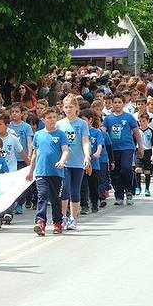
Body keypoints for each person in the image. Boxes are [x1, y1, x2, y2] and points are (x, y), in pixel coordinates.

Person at [26, 108, 69, 235]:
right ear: (43, 120)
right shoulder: (38, 135)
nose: (52, 120)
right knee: (42, 196)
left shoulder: (61, 134)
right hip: (41, 172)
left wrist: (62, 161)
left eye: (54, 117)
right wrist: (30, 171)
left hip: (56, 173)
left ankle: (57, 223)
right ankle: (40, 222)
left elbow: (65, 150)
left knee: (56, 199)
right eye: (49, 117)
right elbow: (35, 154)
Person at [56, 94, 91, 230]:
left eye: (71, 107)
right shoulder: (59, 124)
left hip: (77, 161)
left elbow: (85, 141)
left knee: (75, 190)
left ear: (76, 108)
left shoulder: (82, 124)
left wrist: (87, 156)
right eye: (66, 107)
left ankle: (73, 218)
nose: (68, 109)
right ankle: (63, 216)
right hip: (64, 163)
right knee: (64, 189)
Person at [103, 93, 144, 205]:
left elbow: (136, 132)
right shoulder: (108, 118)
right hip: (113, 149)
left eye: (119, 102)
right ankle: (119, 195)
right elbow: (103, 132)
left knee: (126, 168)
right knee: (115, 171)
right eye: (115, 102)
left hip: (127, 147)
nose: (117, 104)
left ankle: (129, 191)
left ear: (123, 104)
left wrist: (140, 147)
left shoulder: (129, 117)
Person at [79, 109, 103, 214]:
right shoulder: (79, 132)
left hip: (94, 163)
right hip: (81, 163)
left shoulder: (97, 132)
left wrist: (97, 152)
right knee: (83, 186)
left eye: (84, 120)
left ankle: (94, 203)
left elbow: (99, 144)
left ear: (90, 120)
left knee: (93, 185)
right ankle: (84, 205)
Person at [135, 113, 153, 197]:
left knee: (147, 171)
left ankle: (147, 189)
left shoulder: (150, 131)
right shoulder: (136, 131)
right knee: (137, 169)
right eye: (140, 121)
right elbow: (134, 142)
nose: (141, 123)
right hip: (139, 151)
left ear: (148, 121)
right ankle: (138, 187)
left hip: (148, 152)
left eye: (143, 121)